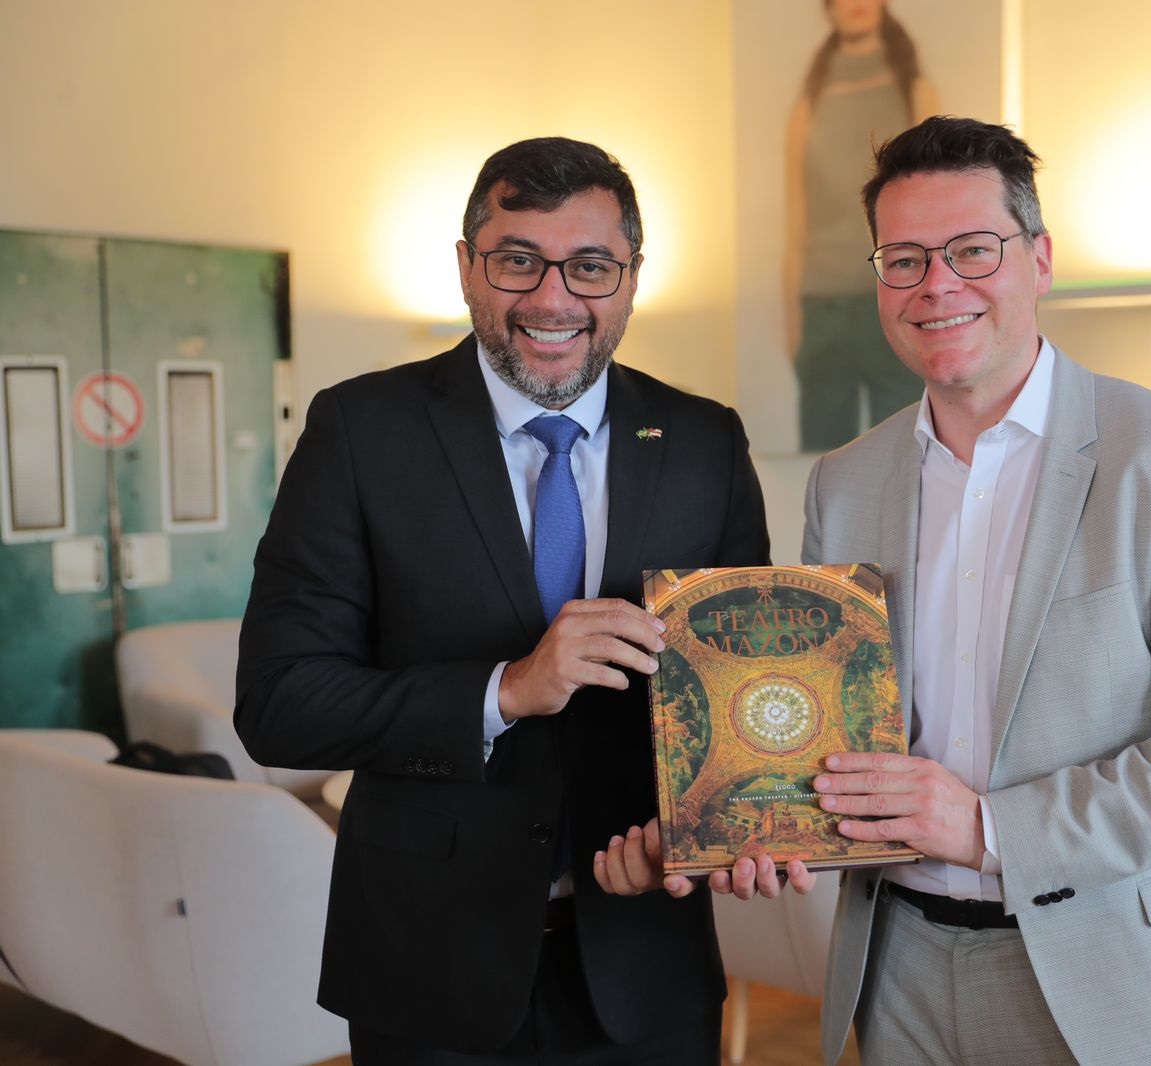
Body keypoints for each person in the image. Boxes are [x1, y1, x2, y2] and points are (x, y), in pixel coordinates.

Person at [235, 137, 771, 1065]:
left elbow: (738, 705)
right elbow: (280, 705)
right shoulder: (359, 431)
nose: (554, 299)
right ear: (466, 267)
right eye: (518, 260)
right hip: (430, 968)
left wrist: (692, 841)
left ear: (631, 278)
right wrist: (506, 689)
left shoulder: (705, 441)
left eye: (591, 266)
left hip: (647, 962)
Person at [803, 117, 1151, 1064]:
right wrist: (758, 823)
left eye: (972, 250)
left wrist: (988, 828)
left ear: (1039, 260)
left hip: (1117, 973)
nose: (937, 284)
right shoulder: (844, 482)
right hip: (897, 969)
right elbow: (838, 732)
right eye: (904, 260)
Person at [785, 0, 937, 451]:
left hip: (898, 294)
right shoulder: (809, 105)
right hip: (824, 307)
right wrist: (792, 317)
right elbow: (796, 217)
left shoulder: (915, 92)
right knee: (824, 456)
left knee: (908, 454)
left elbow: (935, 208)